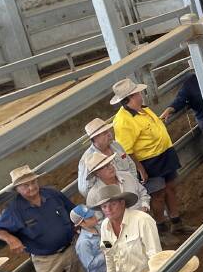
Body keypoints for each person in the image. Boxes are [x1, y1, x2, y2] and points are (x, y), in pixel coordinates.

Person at [0, 165, 92, 272]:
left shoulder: (52, 194)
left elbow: (73, 211)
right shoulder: (14, 210)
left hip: (70, 249)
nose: (31, 187)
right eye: (25, 185)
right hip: (46, 261)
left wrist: (81, 227)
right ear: (17, 189)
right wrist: (12, 239)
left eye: (33, 182)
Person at [110, 78, 196, 235]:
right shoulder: (123, 121)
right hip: (149, 161)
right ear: (132, 96)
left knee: (169, 188)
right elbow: (126, 150)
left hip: (163, 154)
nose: (141, 94)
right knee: (157, 194)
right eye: (138, 92)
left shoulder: (142, 109)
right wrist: (141, 169)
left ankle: (176, 222)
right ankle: (161, 227)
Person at [91, 183, 161, 272]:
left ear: (122, 203)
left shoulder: (142, 220)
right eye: (104, 206)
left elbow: (155, 255)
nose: (108, 210)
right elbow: (108, 252)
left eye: (113, 204)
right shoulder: (104, 226)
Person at [77, 117, 144, 198]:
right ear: (95, 138)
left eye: (108, 130)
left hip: (132, 190)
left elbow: (131, 164)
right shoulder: (87, 160)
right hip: (111, 199)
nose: (109, 134)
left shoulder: (116, 145)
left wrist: (133, 184)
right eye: (105, 133)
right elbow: (84, 190)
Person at [70, 204, 115, 272]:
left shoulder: (99, 229)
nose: (95, 218)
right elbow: (89, 265)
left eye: (93, 215)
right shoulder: (83, 243)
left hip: (108, 271)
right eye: (90, 218)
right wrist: (105, 253)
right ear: (82, 223)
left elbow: (107, 241)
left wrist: (111, 248)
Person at [85, 152, 151, 214]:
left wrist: (145, 207)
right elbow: (98, 221)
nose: (110, 167)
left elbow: (143, 193)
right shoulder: (93, 195)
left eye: (109, 163)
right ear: (96, 174)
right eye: (104, 167)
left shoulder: (127, 176)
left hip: (142, 217)